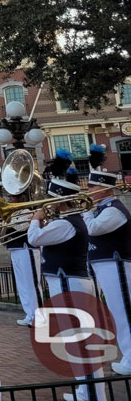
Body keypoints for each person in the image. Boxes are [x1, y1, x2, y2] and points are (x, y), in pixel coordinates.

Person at [28, 151, 102, 401]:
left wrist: (36, 220)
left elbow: (33, 239)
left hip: (69, 284)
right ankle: (85, 391)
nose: (46, 206)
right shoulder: (68, 221)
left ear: (59, 201)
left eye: (50, 202)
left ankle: (92, 394)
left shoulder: (65, 223)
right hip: (69, 282)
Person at [83, 146, 131, 374]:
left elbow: (94, 229)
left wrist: (84, 211)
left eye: (92, 186)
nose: (89, 190)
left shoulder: (115, 209)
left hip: (117, 265)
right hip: (106, 266)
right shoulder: (102, 208)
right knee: (117, 312)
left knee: (124, 313)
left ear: (104, 189)